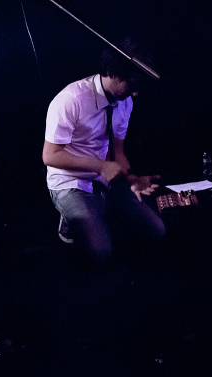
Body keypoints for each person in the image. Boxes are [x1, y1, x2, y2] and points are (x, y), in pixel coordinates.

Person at [43, 37, 165, 263]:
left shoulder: (125, 101)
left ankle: (99, 212)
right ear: (115, 73)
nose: (135, 93)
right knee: (99, 252)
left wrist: (131, 179)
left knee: (156, 231)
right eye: (132, 84)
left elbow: (117, 151)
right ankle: (72, 220)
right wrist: (101, 166)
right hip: (71, 182)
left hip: (107, 179)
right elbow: (50, 156)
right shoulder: (71, 99)